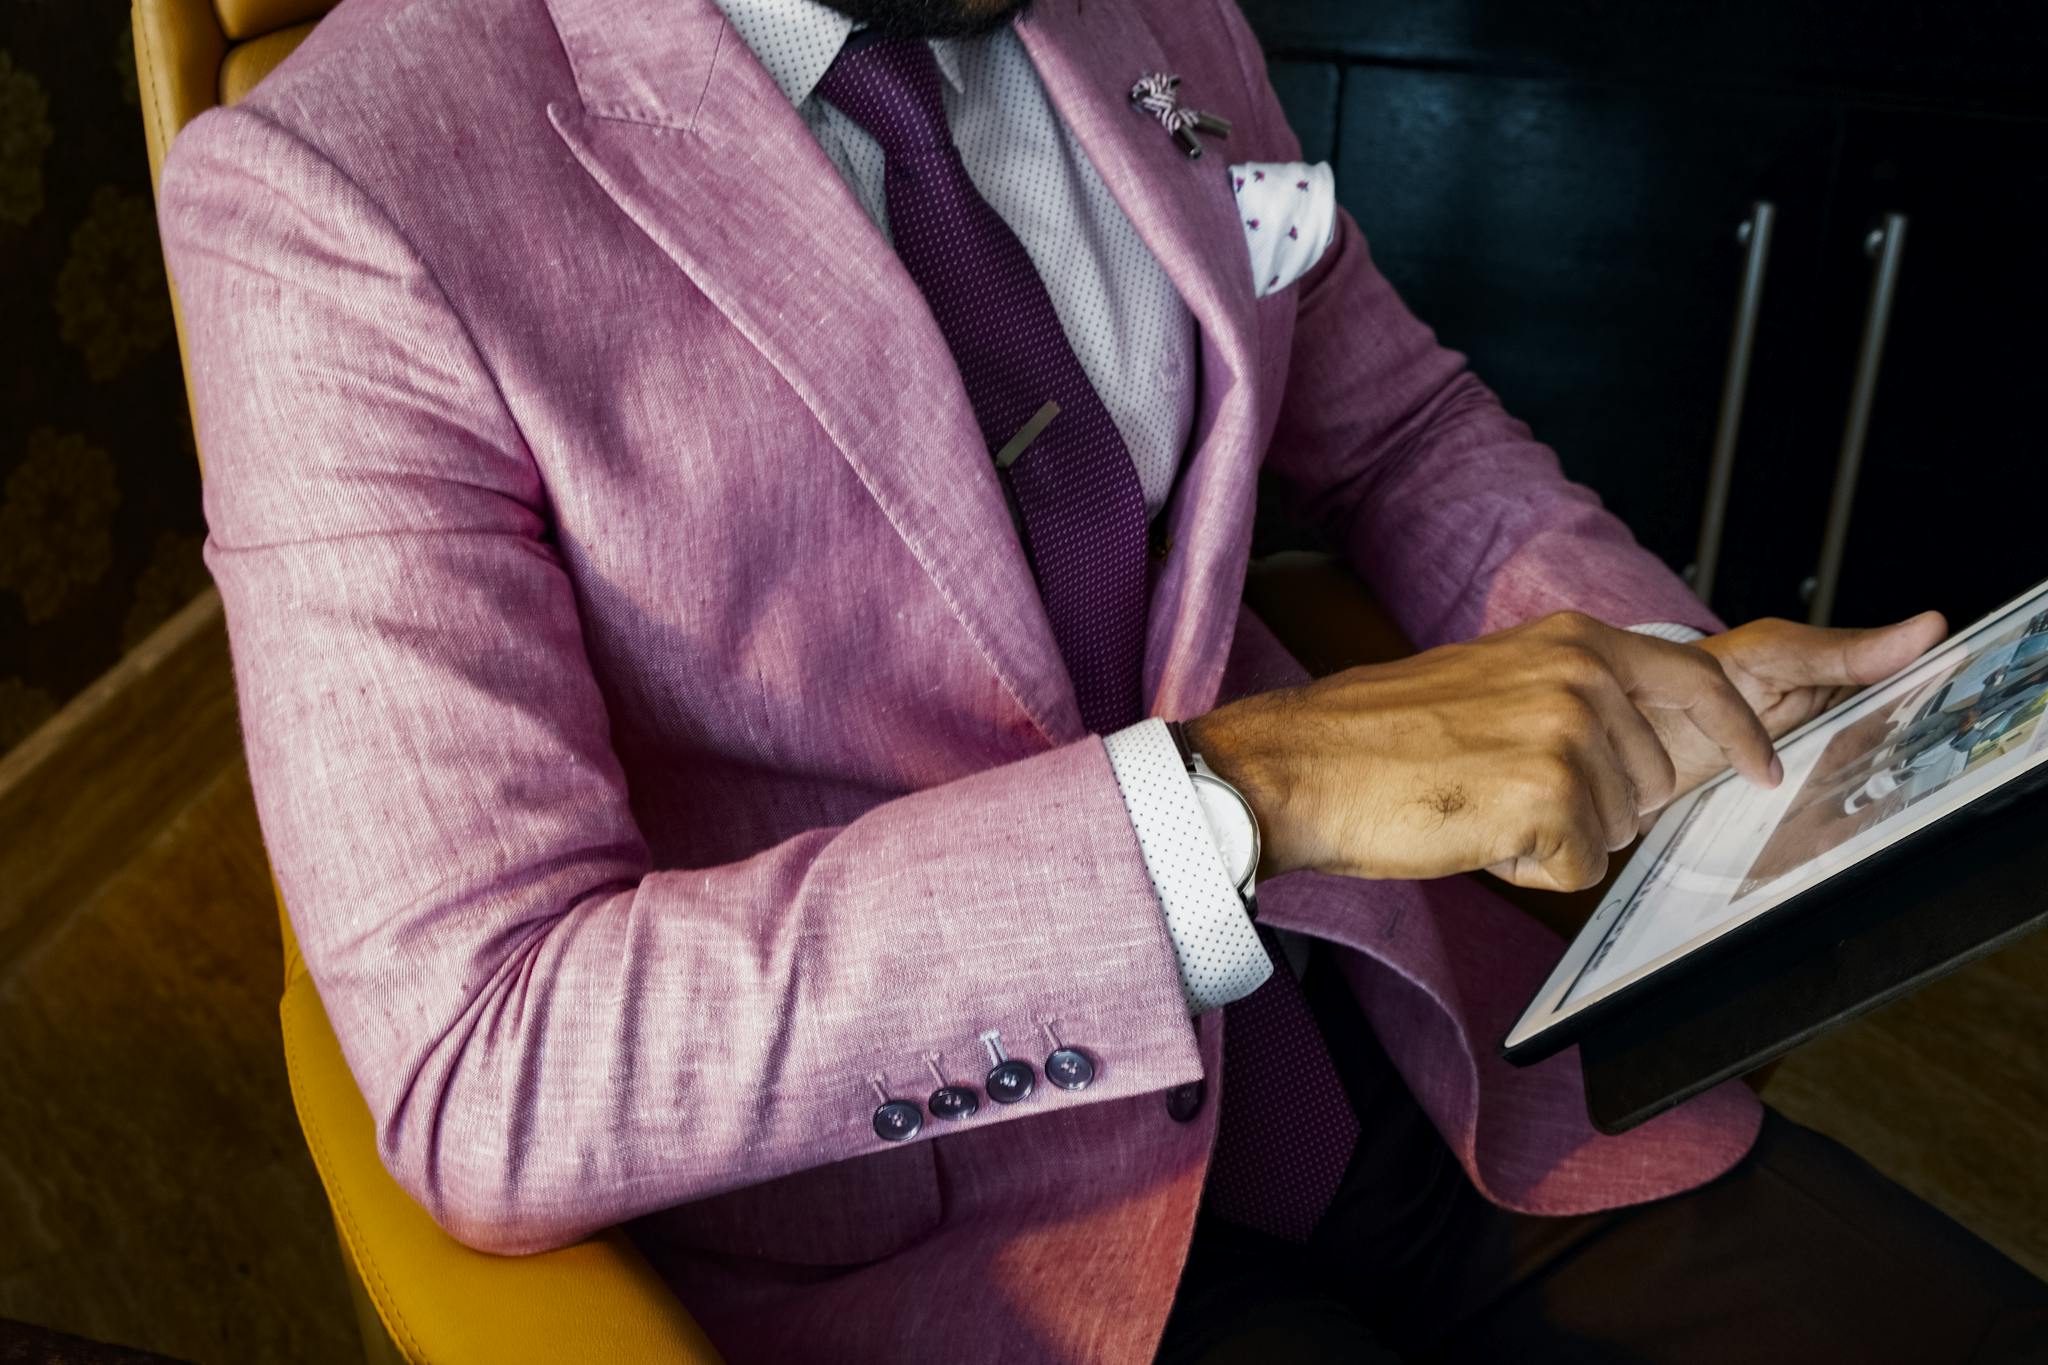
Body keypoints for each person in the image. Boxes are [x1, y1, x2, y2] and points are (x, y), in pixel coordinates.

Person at [156, 0, 2048, 1357]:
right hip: (957, 1249)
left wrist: (1665, 686)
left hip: (1423, 1059)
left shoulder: (1152, 18)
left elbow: (1392, 428)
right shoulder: (337, 197)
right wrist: (1244, 793)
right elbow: (494, 1055)